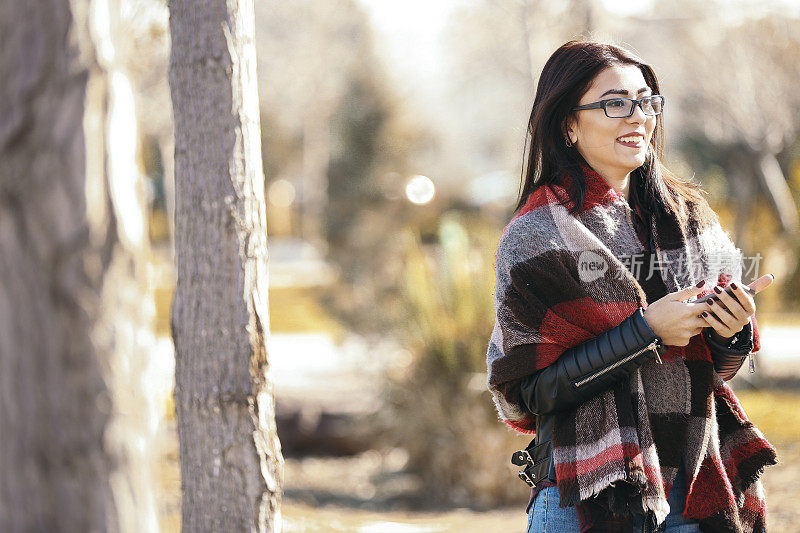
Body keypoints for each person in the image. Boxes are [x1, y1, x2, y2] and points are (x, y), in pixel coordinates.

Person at [485, 39, 778, 533]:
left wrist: (732, 331)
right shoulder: (535, 236)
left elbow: (713, 372)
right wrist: (646, 332)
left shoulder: (689, 218)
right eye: (615, 103)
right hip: (589, 498)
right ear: (568, 124)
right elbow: (530, 393)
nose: (637, 117)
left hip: (698, 487)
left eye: (646, 102)